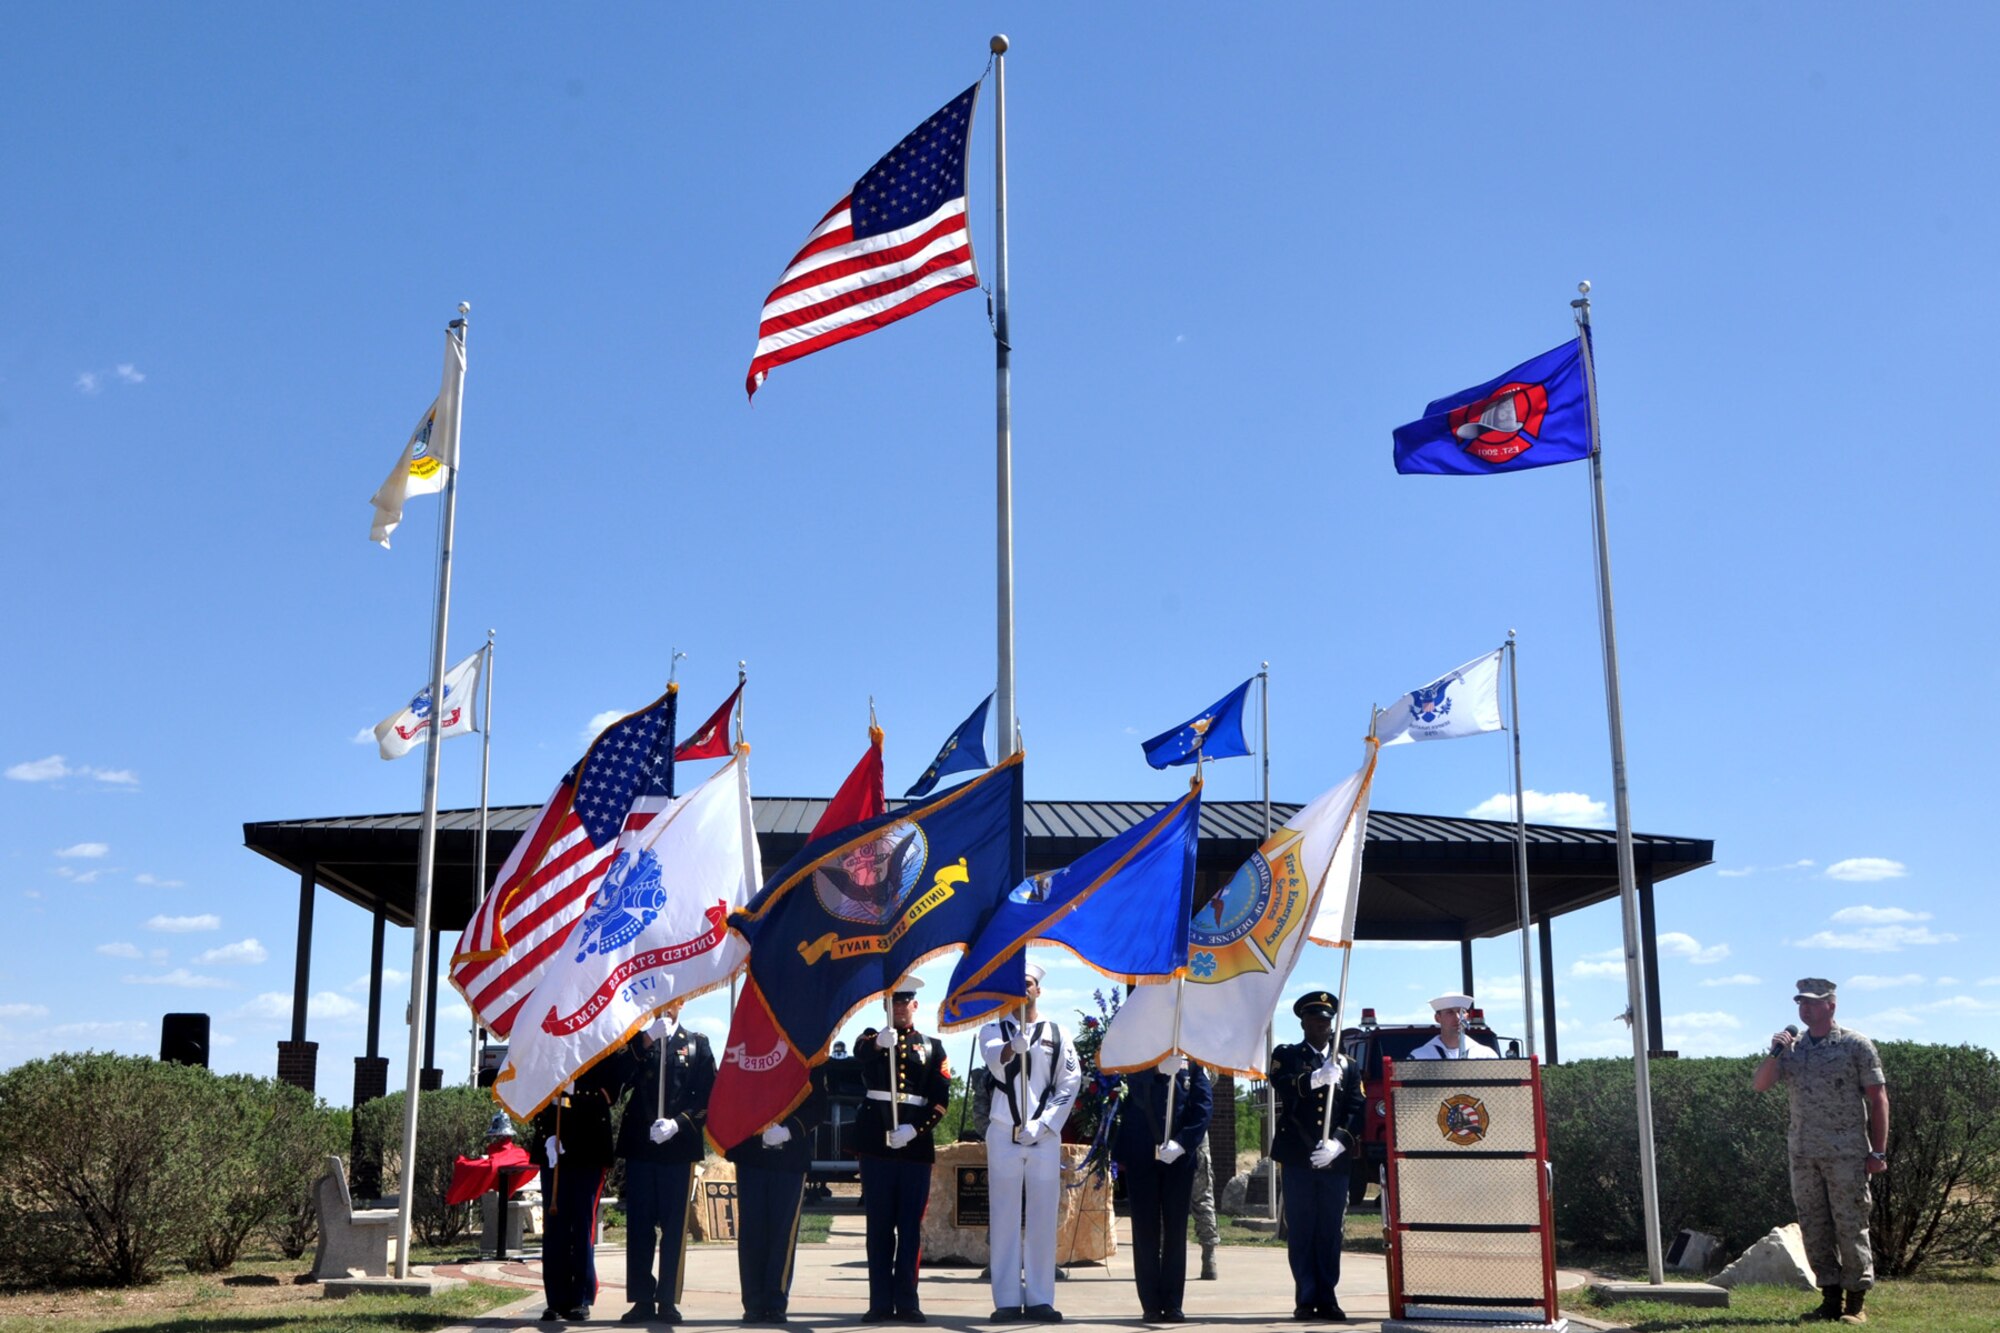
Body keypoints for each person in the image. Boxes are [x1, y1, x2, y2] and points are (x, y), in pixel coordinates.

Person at [1752, 978, 1889, 1325]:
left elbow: (1878, 1098)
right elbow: (1761, 1084)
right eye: (1801, 1003)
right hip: (1804, 1155)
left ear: (1832, 1005)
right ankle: (1829, 1299)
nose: (1806, 1009)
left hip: (1846, 1154)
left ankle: (1855, 1304)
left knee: (1850, 1225)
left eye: (1814, 1003)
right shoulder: (1793, 1049)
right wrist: (1775, 1051)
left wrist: (1879, 1152)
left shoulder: (1854, 1045)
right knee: (1814, 1227)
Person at [979, 960, 1081, 1323]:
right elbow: (994, 1060)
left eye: (1028, 984)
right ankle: (1006, 1299)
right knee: (1004, 1217)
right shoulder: (992, 1029)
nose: (1023, 990)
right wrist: (1011, 1048)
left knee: (1041, 1218)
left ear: (1039, 989)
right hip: (1004, 1133)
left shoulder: (1058, 1032)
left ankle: (1040, 1297)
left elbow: (1069, 1084)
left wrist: (1045, 1124)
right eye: (1016, 984)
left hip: (1042, 1138)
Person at [854, 976, 952, 1324]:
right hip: (876, 1146)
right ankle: (879, 1302)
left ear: (915, 1005)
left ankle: (908, 1301)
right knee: (879, 1227)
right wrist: (880, 1044)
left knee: (910, 1227)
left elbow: (941, 1101)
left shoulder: (933, 1047)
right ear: (886, 1006)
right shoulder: (870, 1039)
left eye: (904, 1001)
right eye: (893, 1001)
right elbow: (860, 1055)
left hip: (913, 1148)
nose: (899, 1007)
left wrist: (915, 1129)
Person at [614, 1008, 716, 1326]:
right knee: (640, 1226)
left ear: (683, 1003)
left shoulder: (697, 1043)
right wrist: (644, 1041)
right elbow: (618, 1081)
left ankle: (668, 1298)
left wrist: (678, 1124)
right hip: (642, 1147)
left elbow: (707, 1098)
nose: (668, 1005)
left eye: (675, 1000)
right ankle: (642, 1299)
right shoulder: (638, 1042)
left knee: (674, 1229)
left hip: (678, 1148)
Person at [1271, 990, 1364, 1322]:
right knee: (1302, 1229)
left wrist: (1339, 1142)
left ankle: (1328, 1296)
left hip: (1334, 1161)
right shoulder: (1288, 1055)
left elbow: (1357, 1108)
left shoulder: (1348, 1065)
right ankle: (1305, 1296)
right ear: (1303, 1023)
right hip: (1298, 1156)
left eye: (1325, 1021)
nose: (1320, 1026)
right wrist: (1314, 1079)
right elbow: (1279, 1083)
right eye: (1314, 1020)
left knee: (1329, 1230)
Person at [1113, 1053, 1213, 1322]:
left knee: (1175, 1231)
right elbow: (1130, 1088)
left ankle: (1173, 1303)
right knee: (1145, 1231)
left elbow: (1202, 1106)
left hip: (1178, 1159)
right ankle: (1150, 1303)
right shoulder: (1140, 1057)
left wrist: (1182, 1143)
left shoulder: (1192, 1063)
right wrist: (1157, 1070)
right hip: (1141, 1155)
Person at [726, 1060, 826, 1325]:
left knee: (783, 1233)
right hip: (752, 1155)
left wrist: (789, 1130)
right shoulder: (753, 1045)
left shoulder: (810, 1053)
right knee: (752, 1232)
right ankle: (753, 1303)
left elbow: (818, 1107)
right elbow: (733, 1093)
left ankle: (776, 1302)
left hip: (790, 1157)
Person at [531, 1059, 622, 1322]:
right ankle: (556, 1299)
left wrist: (575, 1086)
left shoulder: (603, 1043)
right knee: (555, 1223)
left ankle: (581, 1297)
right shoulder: (548, 1045)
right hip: (554, 1145)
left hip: (589, 1146)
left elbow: (611, 1091)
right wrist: (546, 1133)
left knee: (582, 1222)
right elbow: (533, 1095)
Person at [1409, 994, 1498, 1060]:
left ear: (1467, 1016)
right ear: (1437, 1018)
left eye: (1461, 1012)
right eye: (1450, 1012)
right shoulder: (1419, 1056)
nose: (1457, 1017)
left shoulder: (1485, 1055)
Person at [1191, 1137, 1220, 1281]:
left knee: (1165, 1199)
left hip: (1189, 1140)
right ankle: (1209, 1258)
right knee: (1203, 1201)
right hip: (1198, 1139)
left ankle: (1164, 1255)